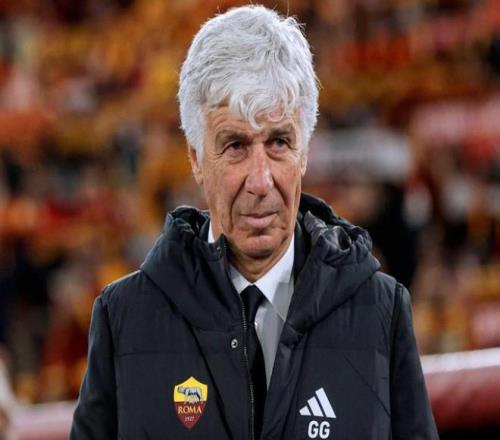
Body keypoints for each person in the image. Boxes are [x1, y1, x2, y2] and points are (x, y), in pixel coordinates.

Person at [70, 5, 438, 439]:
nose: (260, 181)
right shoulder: (123, 320)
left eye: (279, 142)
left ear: (304, 153)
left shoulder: (382, 311)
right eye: (235, 146)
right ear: (195, 158)